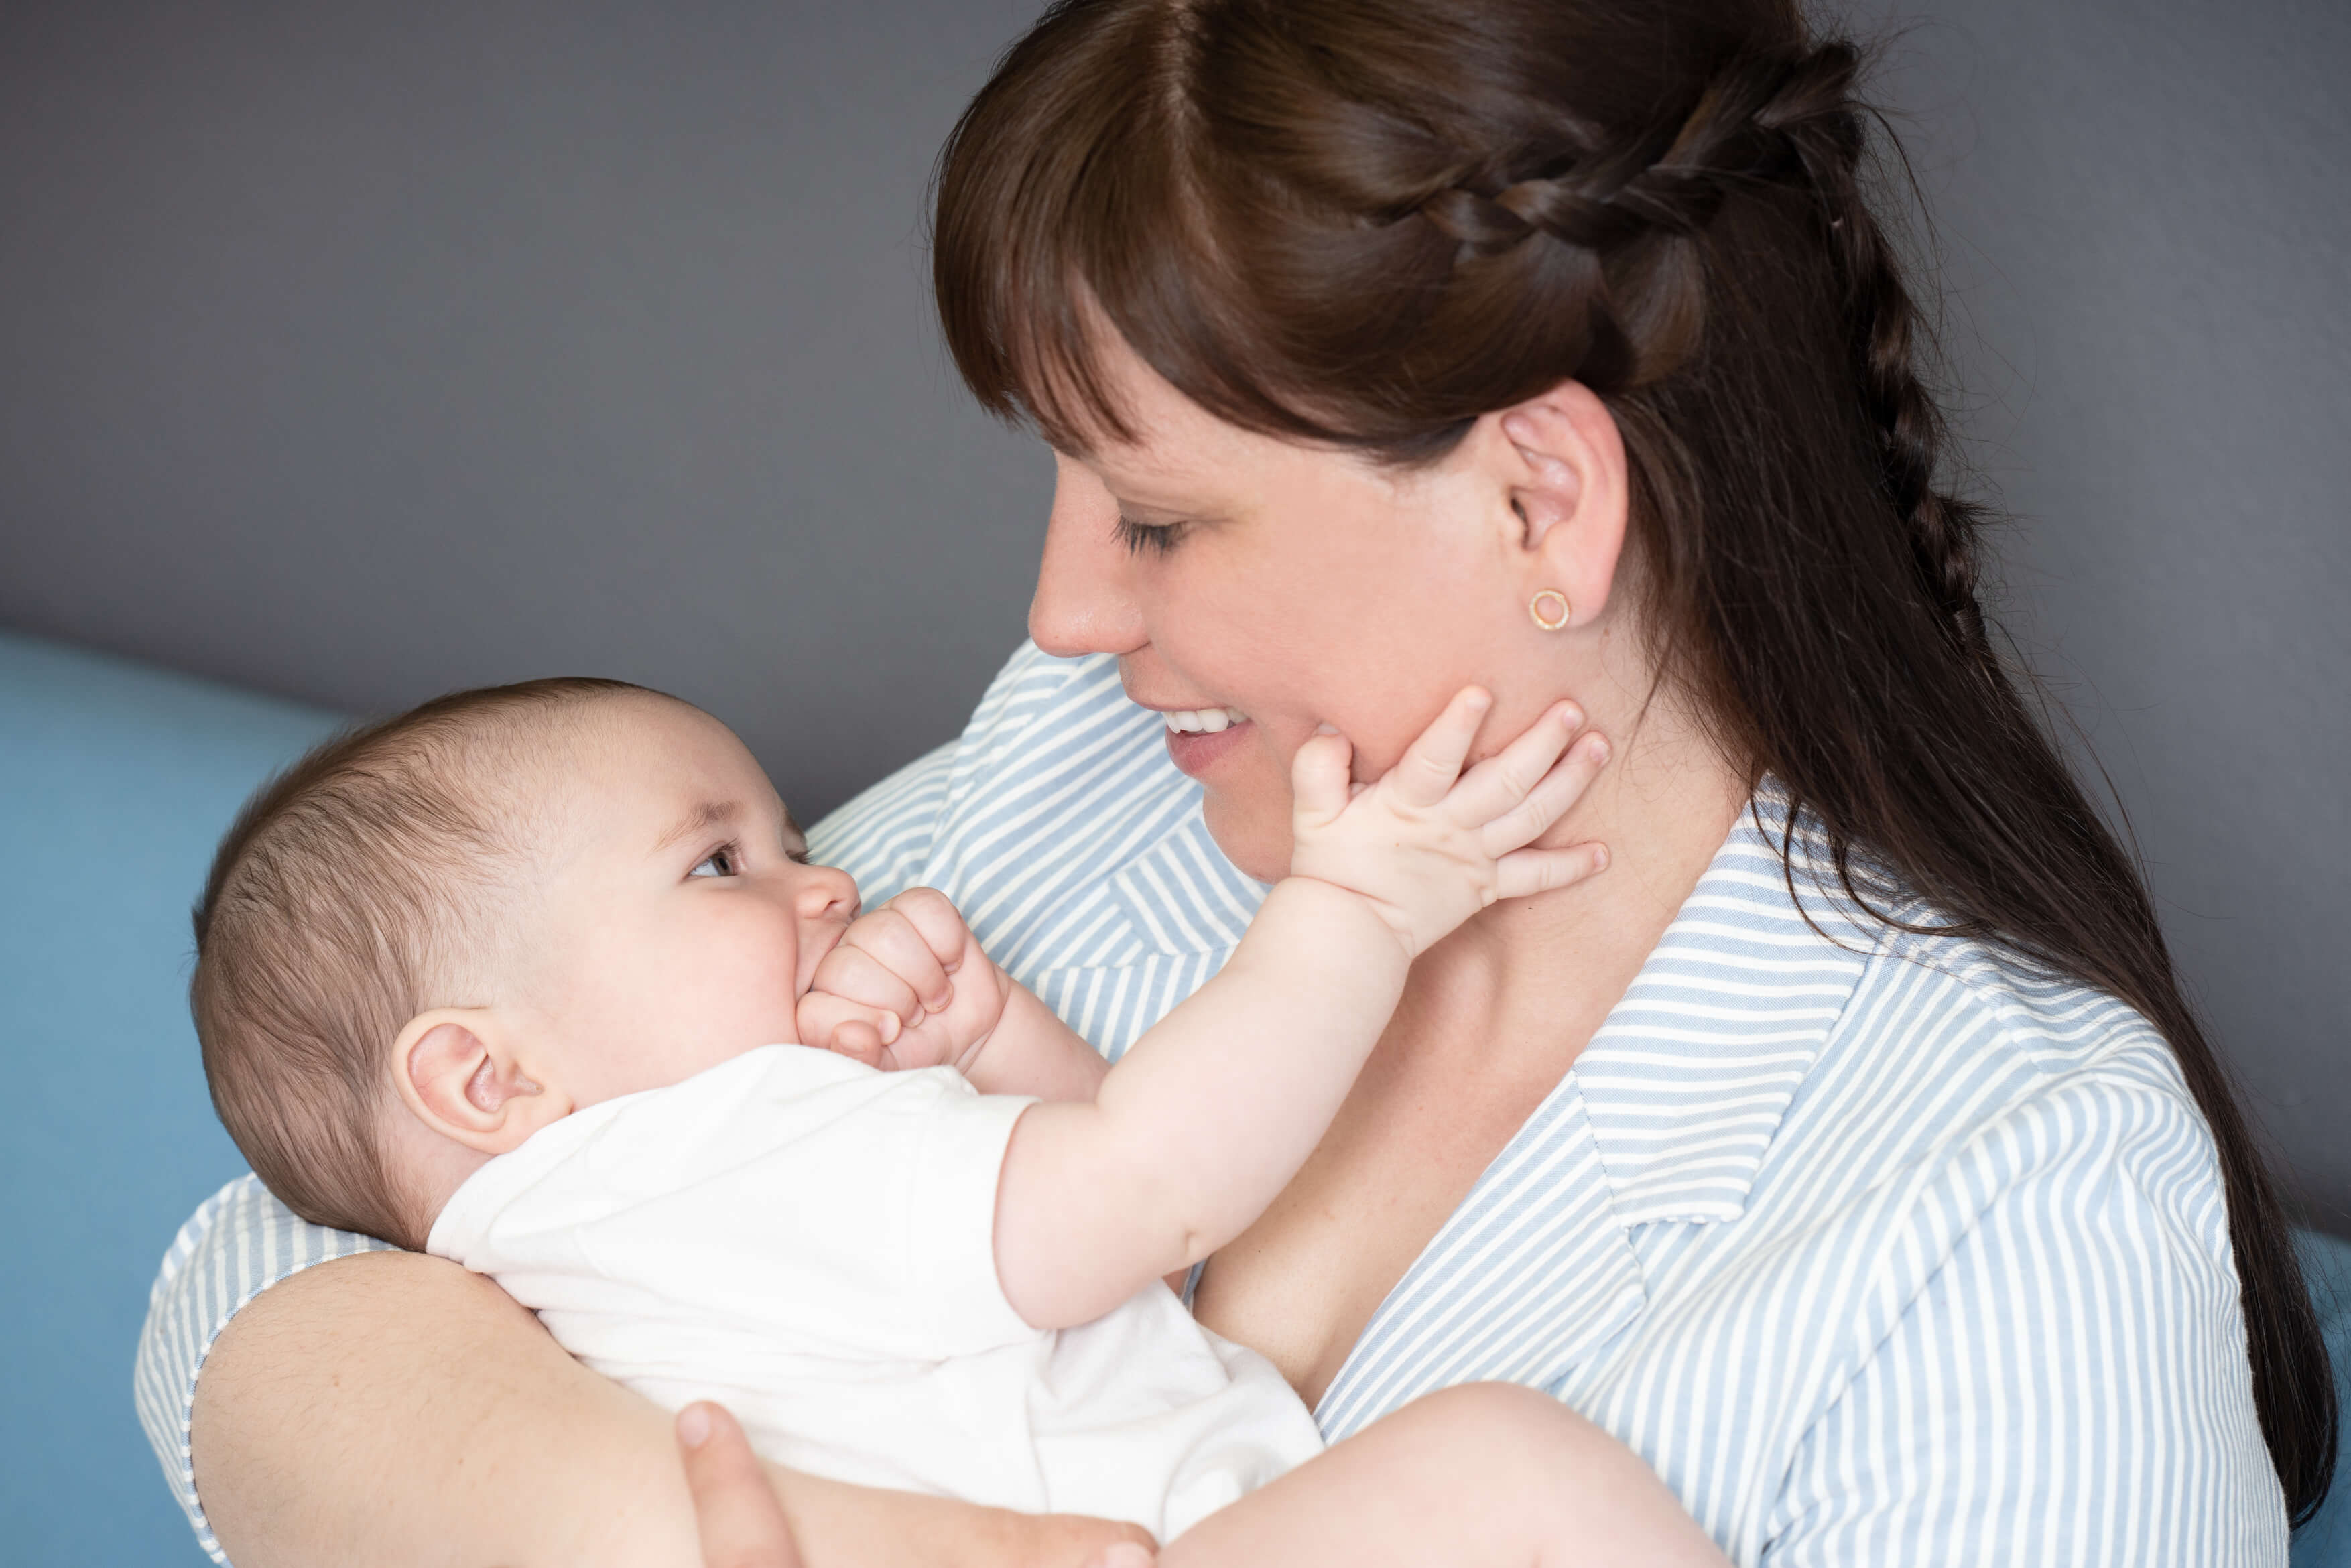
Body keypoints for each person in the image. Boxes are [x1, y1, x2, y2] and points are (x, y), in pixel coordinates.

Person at [138, 1, 2335, 1563]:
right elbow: (295, 1255)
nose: (1065, 618)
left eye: (1155, 518)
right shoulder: (1086, 789)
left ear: (1533, 505)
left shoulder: (2007, 1198)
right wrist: (690, 1543)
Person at [186, 673, 1722, 1564]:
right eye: (720, 867)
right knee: (1508, 1482)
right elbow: (1148, 1190)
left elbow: (1094, 1258)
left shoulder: (560, 1249)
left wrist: (993, 1044)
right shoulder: (726, 1150)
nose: (828, 877)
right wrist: (1353, 913)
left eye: (786, 837)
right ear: (488, 1080)